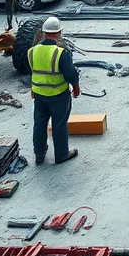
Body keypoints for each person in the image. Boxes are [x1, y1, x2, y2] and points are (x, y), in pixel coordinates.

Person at [28, 16, 80, 165]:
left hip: (39, 95)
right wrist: (75, 86)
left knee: (39, 123)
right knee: (59, 124)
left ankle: (39, 154)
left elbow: (34, 71)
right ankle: (62, 154)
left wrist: (33, 88)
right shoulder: (61, 52)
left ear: (44, 33)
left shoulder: (32, 51)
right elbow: (70, 73)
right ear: (59, 32)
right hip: (58, 95)